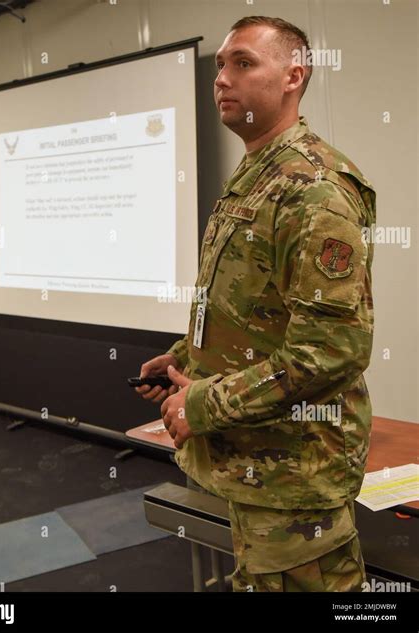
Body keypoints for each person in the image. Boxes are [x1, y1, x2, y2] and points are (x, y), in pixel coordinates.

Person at [136, 15, 376, 592]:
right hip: (254, 463)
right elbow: (249, 311)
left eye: (243, 63)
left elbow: (331, 353)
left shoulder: (314, 189)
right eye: (220, 65)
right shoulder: (259, 174)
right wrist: (184, 360)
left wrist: (204, 405)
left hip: (295, 476)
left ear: (294, 75)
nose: (222, 78)